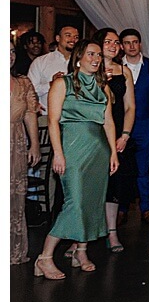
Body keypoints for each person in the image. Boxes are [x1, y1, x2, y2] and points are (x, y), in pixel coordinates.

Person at [33, 40, 119, 280]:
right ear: (79, 57)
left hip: (98, 150)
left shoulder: (104, 87)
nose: (96, 59)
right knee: (75, 202)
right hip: (72, 147)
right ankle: (45, 257)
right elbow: (52, 121)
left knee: (93, 202)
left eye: (99, 55)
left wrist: (113, 151)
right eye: (91, 54)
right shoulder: (62, 83)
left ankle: (81, 251)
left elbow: (109, 121)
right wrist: (58, 153)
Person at [94, 28, 135, 254]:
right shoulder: (88, 67)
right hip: (93, 130)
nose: (113, 45)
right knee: (90, 184)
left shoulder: (125, 71)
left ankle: (112, 232)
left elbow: (130, 106)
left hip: (118, 130)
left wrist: (125, 134)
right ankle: (79, 236)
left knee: (115, 183)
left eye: (116, 42)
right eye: (107, 41)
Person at [119, 28, 149, 224]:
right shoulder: (115, 67)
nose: (132, 46)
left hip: (146, 123)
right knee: (121, 169)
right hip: (121, 124)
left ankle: (146, 209)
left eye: (135, 42)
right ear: (122, 46)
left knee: (143, 169)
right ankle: (121, 209)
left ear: (140, 44)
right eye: (127, 43)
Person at [10, 41, 41, 264]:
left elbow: (30, 114)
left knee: (14, 198)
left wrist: (35, 144)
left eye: (11, 51)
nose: (9, 56)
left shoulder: (23, 82)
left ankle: (13, 250)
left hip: (15, 143)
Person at [28, 24, 78, 114]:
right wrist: (51, 84)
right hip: (47, 117)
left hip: (75, 118)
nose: (73, 40)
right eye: (68, 35)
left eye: (76, 37)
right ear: (58, 38)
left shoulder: (82, 63)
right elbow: (29, 90)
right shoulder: (41, 62)